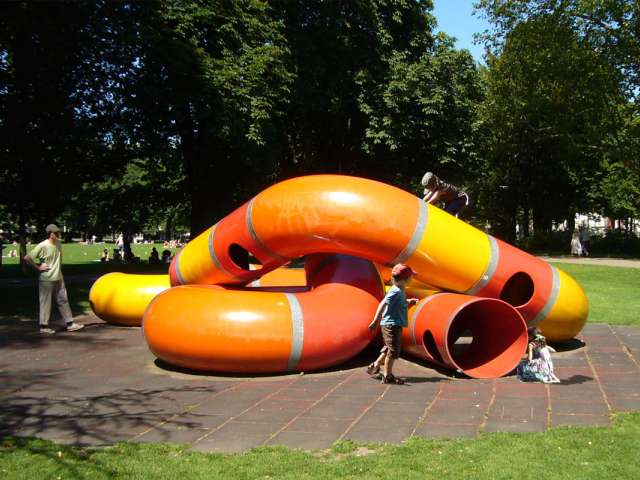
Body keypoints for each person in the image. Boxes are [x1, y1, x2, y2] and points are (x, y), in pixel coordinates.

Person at [23, 224, 84, 335]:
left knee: (63, 300)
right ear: (49, 234)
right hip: (46, 278)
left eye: (58, 232)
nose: (57, 234)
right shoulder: (43, 245)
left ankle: (70, 324)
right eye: (55, 233)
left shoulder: (58, 243)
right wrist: (38, 267)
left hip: (58, 277)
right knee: (45, 303)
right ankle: (44, 326)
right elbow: (27, 258)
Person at [367, 264, 419, 384]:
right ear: (405, 280)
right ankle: (387, 375)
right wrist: (375, 320)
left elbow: (398, 302)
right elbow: (383, 303)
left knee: (388, 347)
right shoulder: (395, 291)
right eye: (411, 277)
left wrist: (408, 301)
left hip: (394, 324)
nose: (412, 279)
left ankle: (375, 366)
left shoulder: (398, 289)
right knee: (393, 351)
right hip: (391, 325)